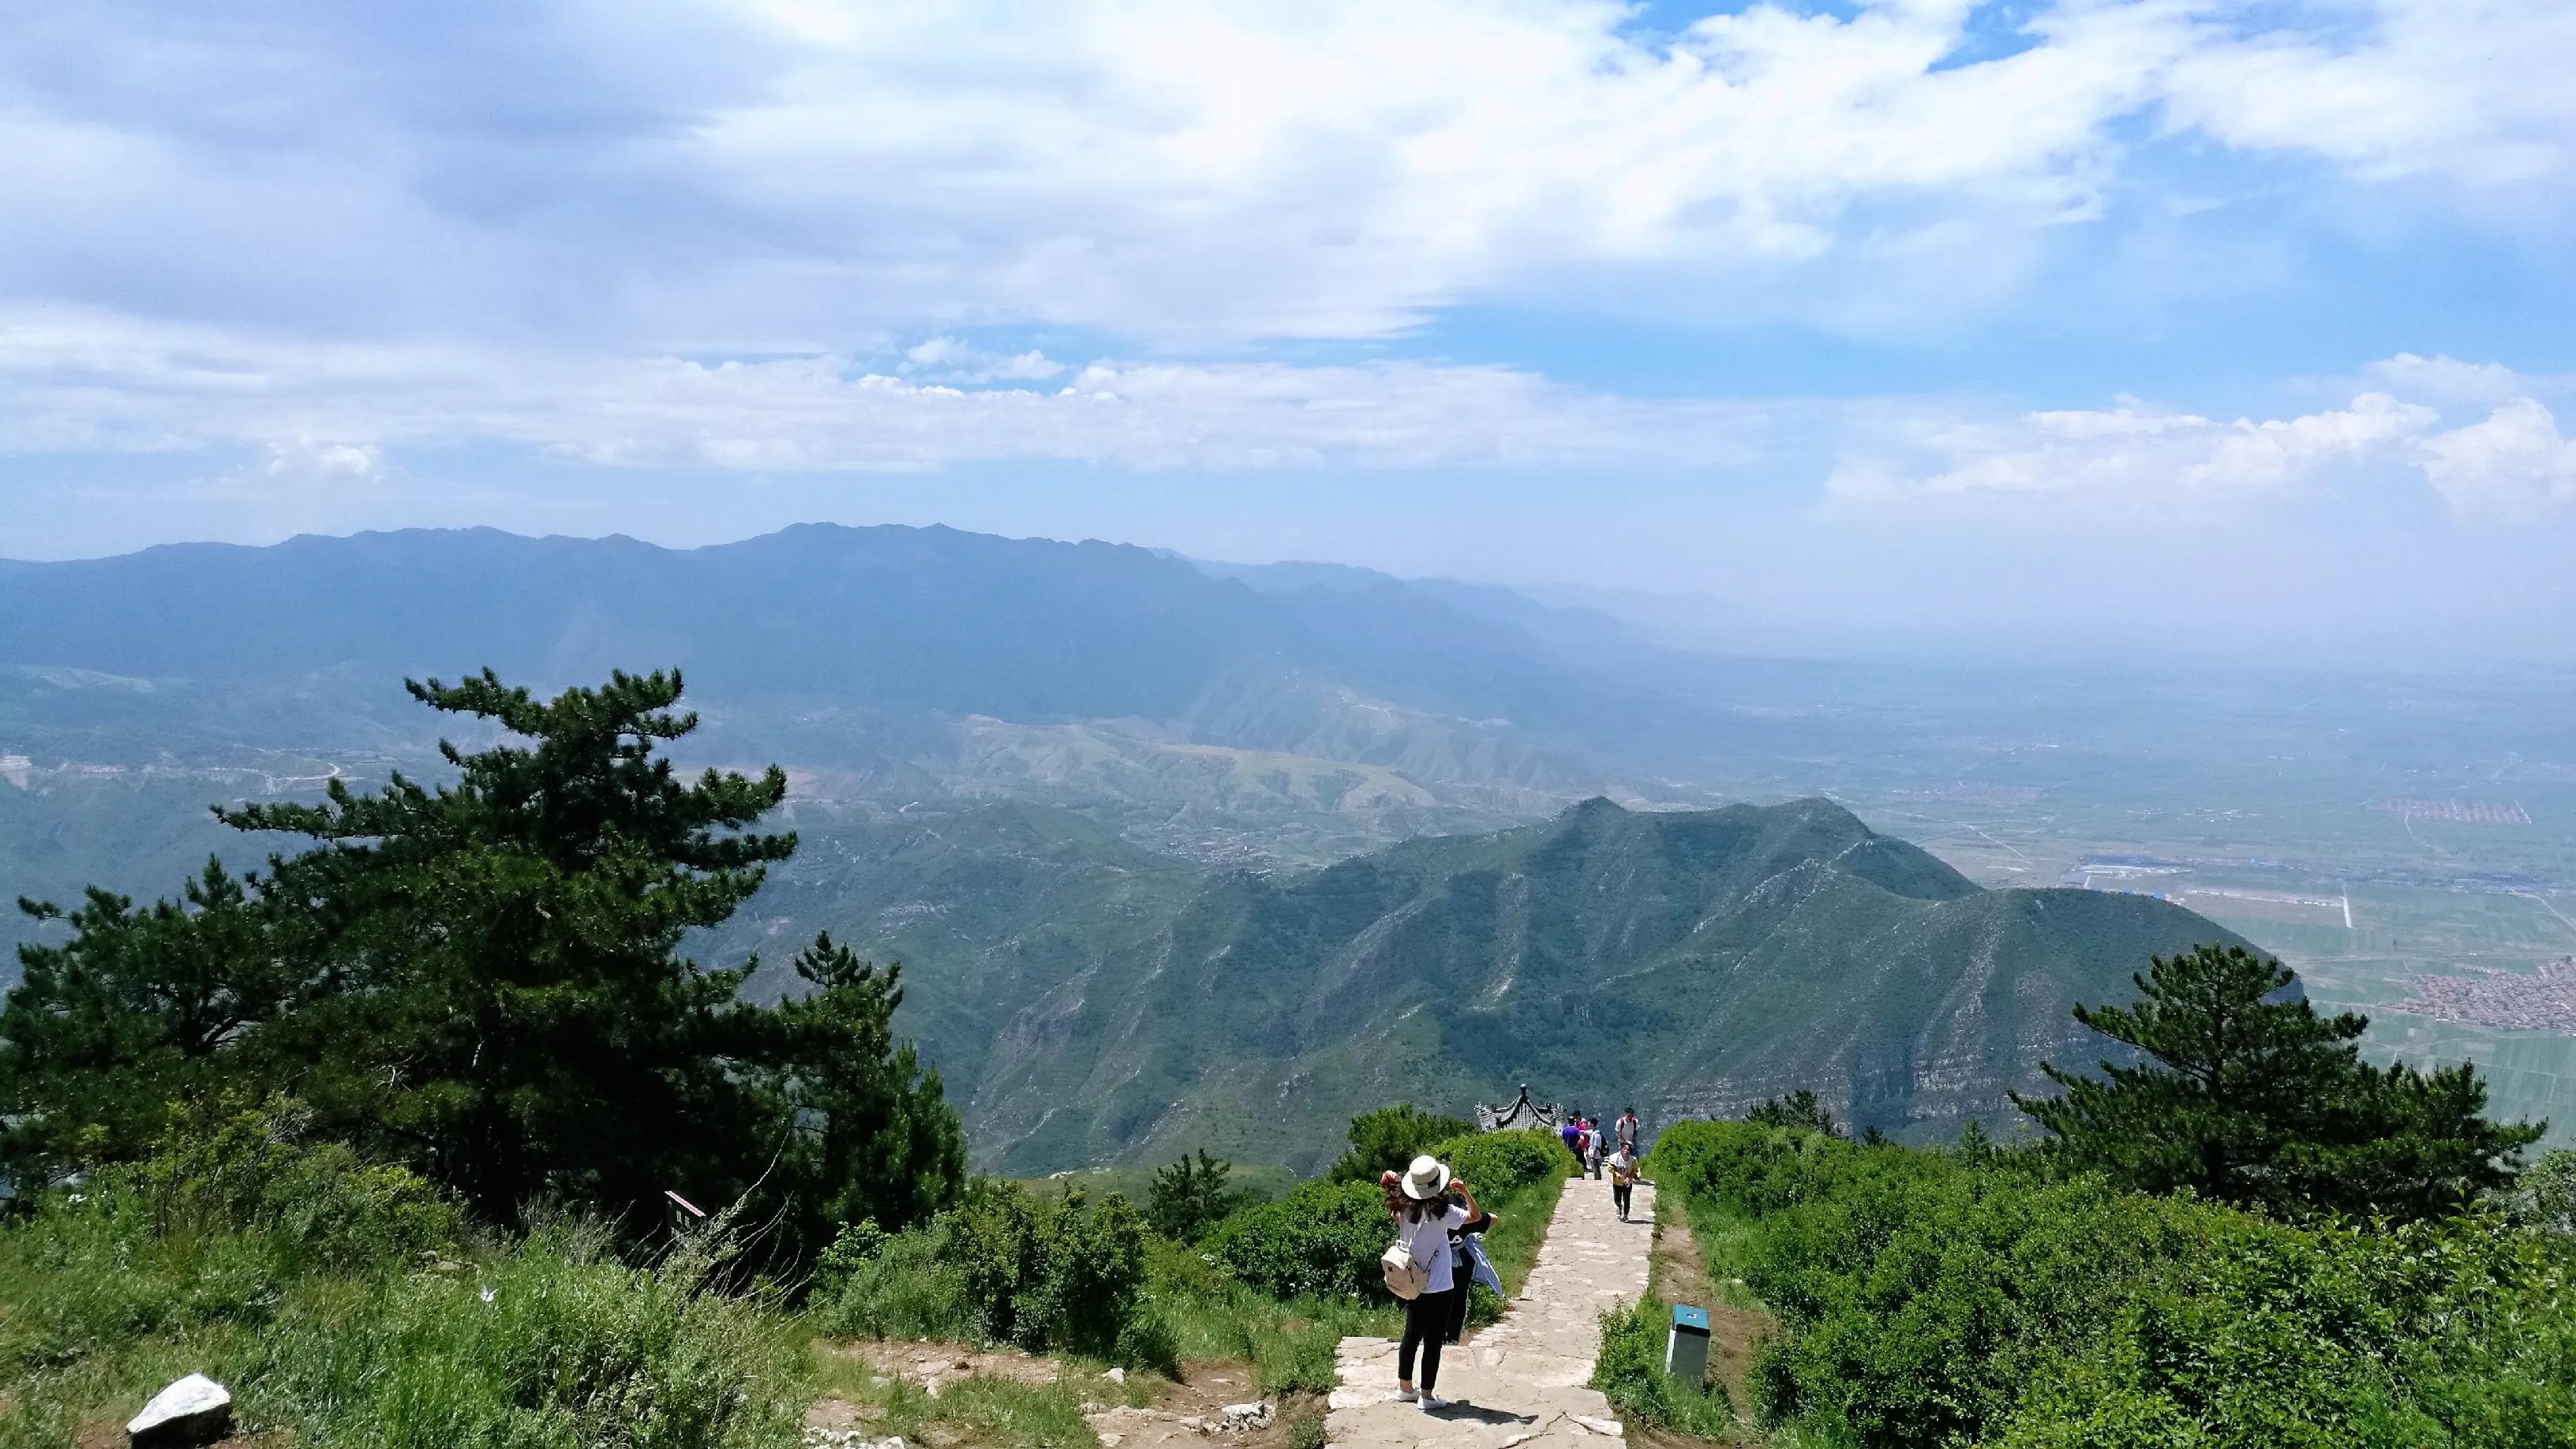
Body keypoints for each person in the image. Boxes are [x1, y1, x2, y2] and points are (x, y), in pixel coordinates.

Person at [1391, 1154, 1477, 1413]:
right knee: (1434, 1340)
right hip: (1439, 1285)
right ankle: (1427, 1396)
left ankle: (1405, 1389)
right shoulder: (1444, 1212)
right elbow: (1474, 1216)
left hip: (1412, 1283)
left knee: (1411, 1335)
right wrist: (1465, 1191)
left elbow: (1396, 1213)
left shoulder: (1403, 1208)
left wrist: (1392, 1185)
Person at [1609, 1144, 1641, 1221]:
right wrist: (1616, 1173)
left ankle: (1626, 1214)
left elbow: (1635, 1170)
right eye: (1625, 1149)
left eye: (1628, 1150)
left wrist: (1630, 1177)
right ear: (1621, 1149)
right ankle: (1619, 1207)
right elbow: (1610, 1167)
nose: (1626, 1151)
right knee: (1617, 1197)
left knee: (1627, 1199)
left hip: (1627, 1182)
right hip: (1617, 1182)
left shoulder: (1632, 1160)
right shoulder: (1615, 1158)